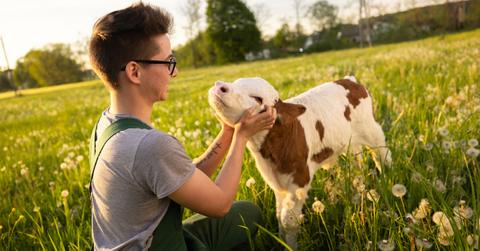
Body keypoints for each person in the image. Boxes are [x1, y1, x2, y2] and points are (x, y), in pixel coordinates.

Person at [88, 2, 276, 250]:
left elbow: (177, 174)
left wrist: (228, 131)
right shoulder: (150, 146)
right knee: (235, 217)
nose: (173, 73)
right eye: (167, 62)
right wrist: (241, 138)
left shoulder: (105, 126)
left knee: (246, 213)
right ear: (134, 72)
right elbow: (220, 205)